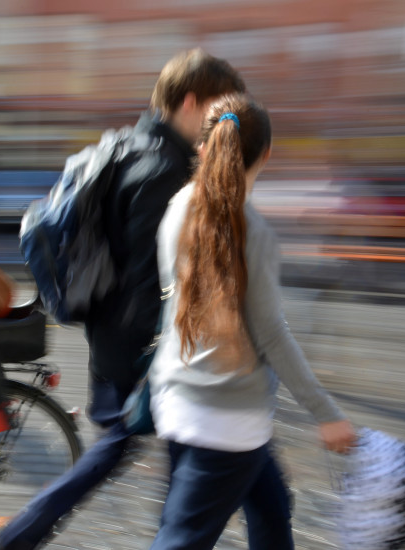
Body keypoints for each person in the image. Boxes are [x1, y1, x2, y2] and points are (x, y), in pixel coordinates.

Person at [0, 49, 247, 550]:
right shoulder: (164, 170)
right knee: (167, 460)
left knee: (170, 461)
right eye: (221, 113)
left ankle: (20, 538)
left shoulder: (122, 146)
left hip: (111, 340)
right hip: (145, 352)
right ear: (192, 102)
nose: (222, 127)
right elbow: (153, 281)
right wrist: (170, 355)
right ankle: (16, 538)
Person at [148, 93, 357, 549]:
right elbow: (272, 334)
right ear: (266, 155)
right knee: (181, 540)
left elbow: (169, 299)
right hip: (226, 419)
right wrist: (326, 414)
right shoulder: (253, 231)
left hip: (179, 398)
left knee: (273, 512)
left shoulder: (178, 207)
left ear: (203, 148)